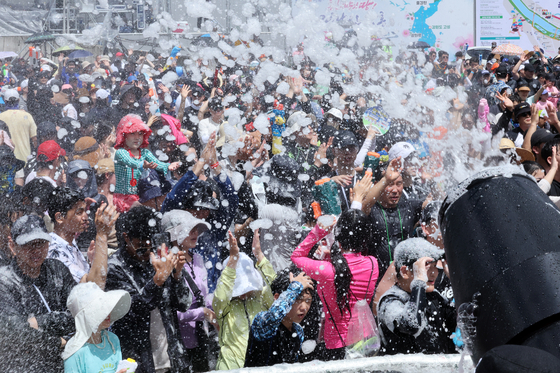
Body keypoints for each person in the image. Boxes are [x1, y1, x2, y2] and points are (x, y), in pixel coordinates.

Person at [106, 206, 192, 373]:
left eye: (150, 244)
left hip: (173, 360)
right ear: (126, 237)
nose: (147, 251)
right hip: (138, 361)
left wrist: (177, 275)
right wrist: (158, 280)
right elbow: (131, 310)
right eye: (140, 246)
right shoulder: (115, 267)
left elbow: (183, 304)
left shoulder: (160, 258)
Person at [291, 209, 379, 361]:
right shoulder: (373, 264)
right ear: (366, 237)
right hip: (364, 340)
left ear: (339, 234)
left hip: (336, 346)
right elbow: (351, 267)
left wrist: (319, 232)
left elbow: (296, 256)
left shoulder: (326, 270)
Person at [0, 215, 77, 372]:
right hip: (23, 366)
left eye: (41, 243)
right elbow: (17, 335)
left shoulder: (57, 270)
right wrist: (60, 342)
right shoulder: (4, 281)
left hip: (65, 362)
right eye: (28, 244)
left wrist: (42, 321)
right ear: (12, 246)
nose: (35, 250)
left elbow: (81, 311)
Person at [377, 238, 456, 355]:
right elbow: (411, 324)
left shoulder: (434, 297)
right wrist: (419, 282)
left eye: (436, 266)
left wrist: (456, 280)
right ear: (405, 272)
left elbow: (462, 322)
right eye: (427, 267)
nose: (434, 273)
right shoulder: (389, 301)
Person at [161, 210, 218, 372]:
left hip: (202, 338)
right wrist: (203, 313)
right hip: (180, 345)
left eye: (197, 229)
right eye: (189, 229)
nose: (195, 233)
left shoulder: (198, 258)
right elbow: (170, 315)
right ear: (174, 234)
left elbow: (205, 297)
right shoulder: (167, 265)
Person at [212, 230, 276, 370]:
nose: (242, 293)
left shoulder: (261, 299)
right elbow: (220, 296)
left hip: (260, 366)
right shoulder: (225, 307)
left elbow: (274, 287)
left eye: (245, 287)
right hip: (231, 367)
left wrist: (259, 255)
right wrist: (233, 259)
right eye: (237, 287)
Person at [47, 187, 118, 285]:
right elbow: (93, 286)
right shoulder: (55, 249)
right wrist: (102, 235)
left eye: (85, 211)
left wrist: (93, 261)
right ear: (59, 217)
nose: (85, 217)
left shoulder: (69, 241)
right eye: (79, 213)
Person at [244, 271, 314, 367]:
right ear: (277, 298)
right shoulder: (260, 321)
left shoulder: (298, 331)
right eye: (298, 299)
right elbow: (274, 316)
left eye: (308, 301)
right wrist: (295, 288)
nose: (304, 307)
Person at [113, 114, 179, 213]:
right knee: (142, 213)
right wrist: (142, 165)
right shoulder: (121, 152)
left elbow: (157, 163)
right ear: (124, 135)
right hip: (123, 198)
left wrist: (167, 166)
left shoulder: (144, 152)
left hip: (137, 196)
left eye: (140, 134)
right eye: (132, 133)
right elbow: (131, 162)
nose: (137, 137)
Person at [62, 282, 131, 373]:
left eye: (106, 307)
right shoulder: (75, 352)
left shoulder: (112, 340)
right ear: (86, 315)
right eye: (100, 308)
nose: (108, 312)